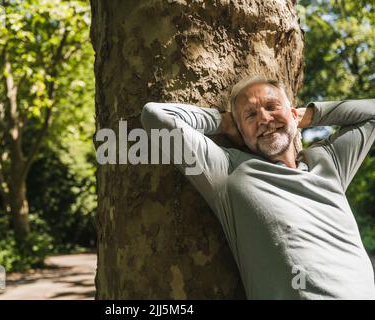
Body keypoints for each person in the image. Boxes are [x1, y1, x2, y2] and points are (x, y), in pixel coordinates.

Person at [140, 75, 375, 299]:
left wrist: (307, 115)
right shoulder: (229, 171)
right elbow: (155, 116)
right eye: (250, 115)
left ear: (293, 113)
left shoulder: (328, 161)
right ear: (240, 133)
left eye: (272, 107)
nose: (264, 118)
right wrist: (223, 121)